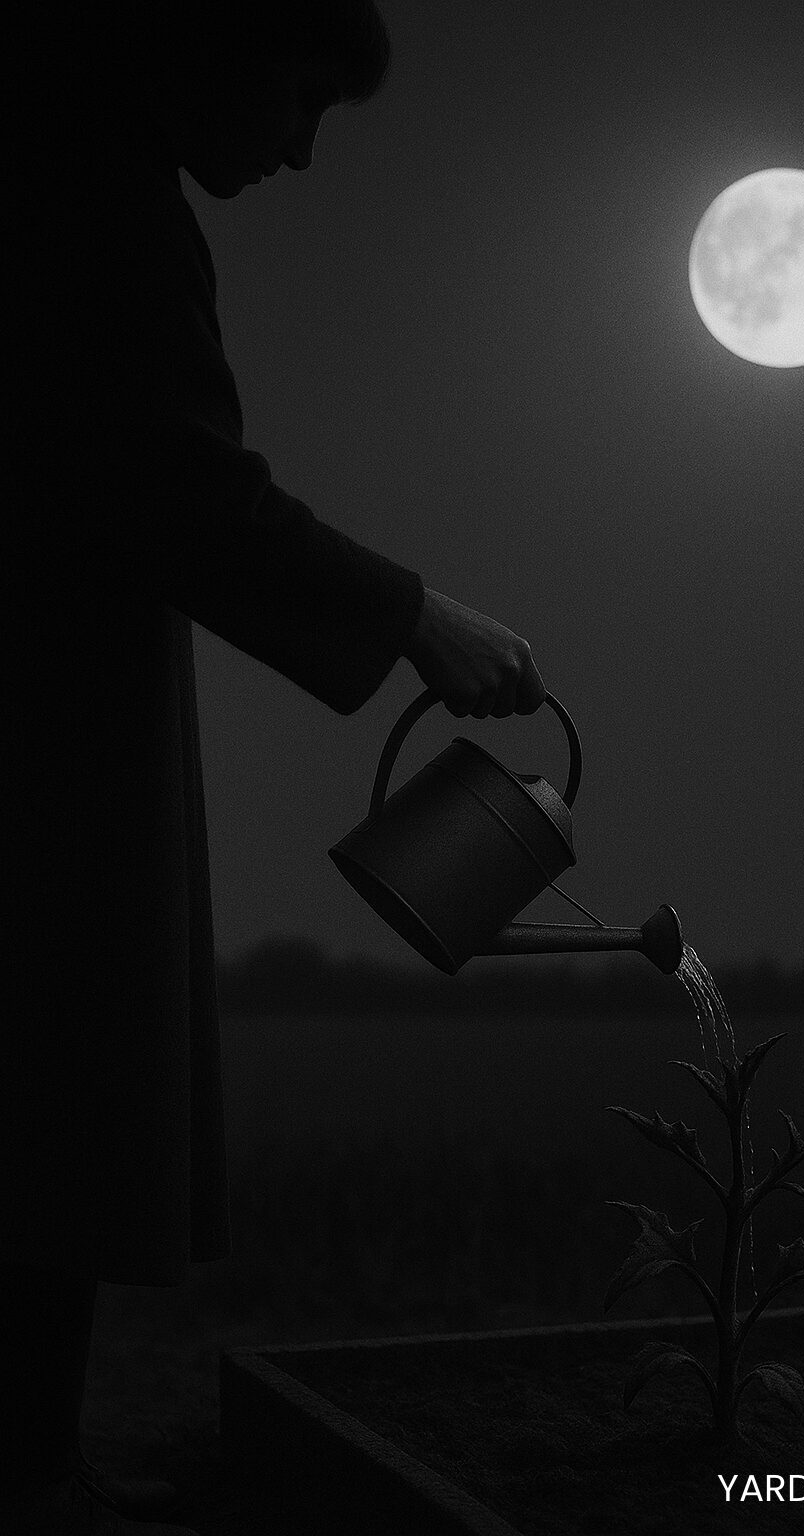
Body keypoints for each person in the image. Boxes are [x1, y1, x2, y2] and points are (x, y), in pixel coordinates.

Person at [2, 3, 545, 1530]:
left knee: (58, 1080)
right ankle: (29, 1470)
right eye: (300, 103)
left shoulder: (72, 168)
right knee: (55, 1070)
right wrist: (415, 617)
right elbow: (175, 486)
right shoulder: (89, 202)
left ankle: (37, 1454)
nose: (301, 151)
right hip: (46, 742)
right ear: (217, 40)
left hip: (64, 708)